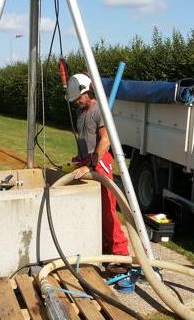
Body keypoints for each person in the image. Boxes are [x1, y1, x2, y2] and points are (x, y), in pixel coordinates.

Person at [65, 73, 130, 259]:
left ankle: (120, 253)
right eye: (75, 99)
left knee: (107, 209)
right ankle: (100, 244)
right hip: (86, 162)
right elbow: (84, 137)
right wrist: (79, 158)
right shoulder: (81, 112)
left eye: (79, 98)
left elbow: (105, 140)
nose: (76, 102)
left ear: (88, 92)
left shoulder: (99, 110)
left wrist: (92, 165)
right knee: (91, 207)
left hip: (100, 163)